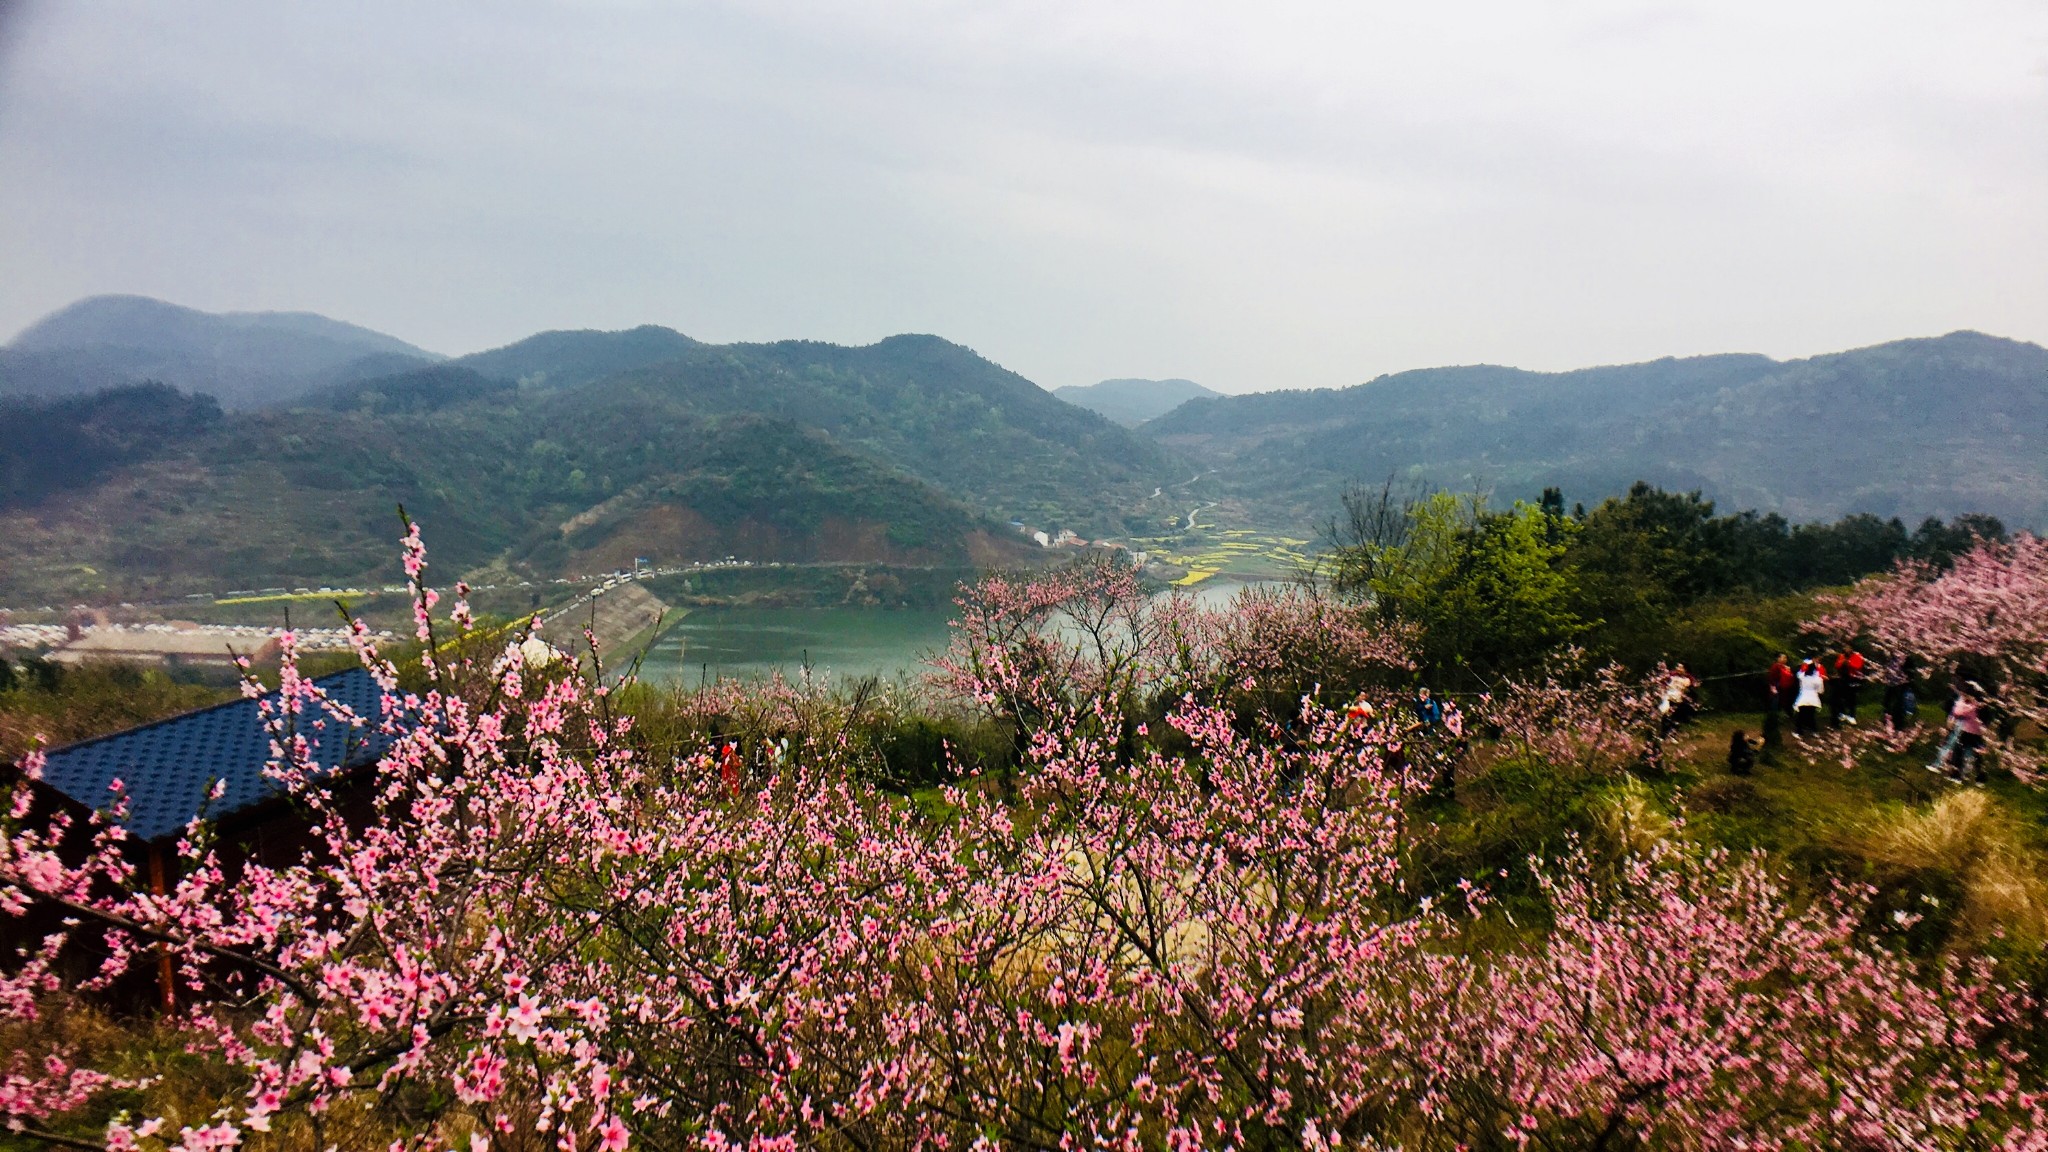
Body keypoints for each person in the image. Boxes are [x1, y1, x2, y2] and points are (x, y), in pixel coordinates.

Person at [1832, 649, 1866, 726]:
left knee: (1852, 697)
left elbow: (1858, 666)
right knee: (1840, 696)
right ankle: (1842, 712)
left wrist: (1849, 663)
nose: (1846, 650)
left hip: (1854, 678)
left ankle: (1852, 715)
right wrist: (1842, 662)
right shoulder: (1842, 656)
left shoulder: (1857, 655)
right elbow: (1837, 665)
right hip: (1843, 678)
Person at [1793, 657, 1826, 737]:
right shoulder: (1818, 679)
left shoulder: (1802, 677)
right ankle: (1814, 731)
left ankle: (1798, 731)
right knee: (1811, 715)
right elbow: (1821, 690)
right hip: (1813, 698)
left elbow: (1799, 674)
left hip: (1803, 697)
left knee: (1801, 715)